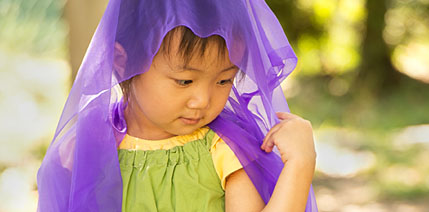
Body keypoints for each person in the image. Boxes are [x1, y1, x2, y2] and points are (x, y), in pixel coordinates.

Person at [37, 0, 318, 211]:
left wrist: (300, 164)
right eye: (184, 81)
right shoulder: (87, 151)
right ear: (122, 63)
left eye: (224, 81)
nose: (203, 101)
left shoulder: (224, 152)